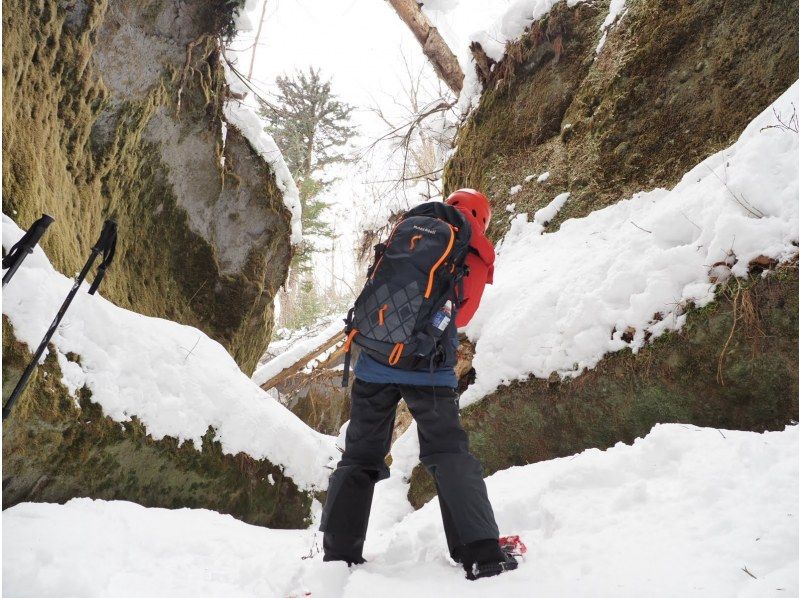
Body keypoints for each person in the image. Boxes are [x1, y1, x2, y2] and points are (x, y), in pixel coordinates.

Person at [319, 189, 516, 580]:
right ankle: (481, 554)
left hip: (374, 359)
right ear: (482, 216)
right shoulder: (470, 246)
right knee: (448, 453)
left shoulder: (409, 231)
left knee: (359, 456)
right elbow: (463, 315)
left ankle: (338, 555)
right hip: (428, 369)